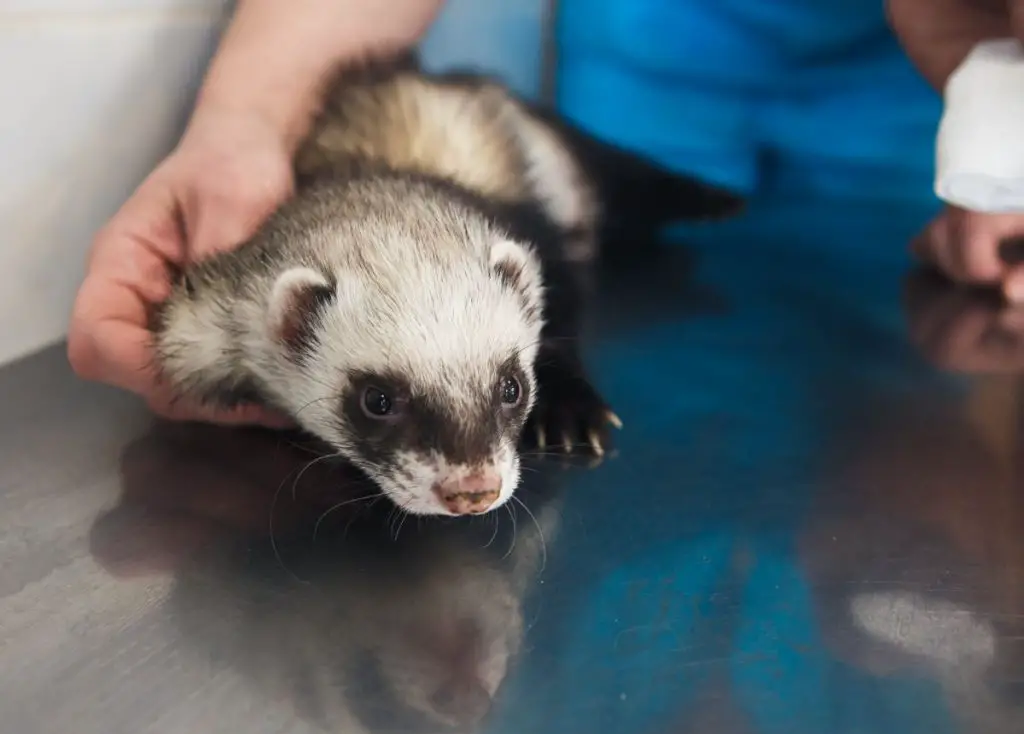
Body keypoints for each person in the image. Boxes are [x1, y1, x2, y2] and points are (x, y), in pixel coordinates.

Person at [66, 0, 1024, 427]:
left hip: (917, 105)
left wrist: (1002, 183)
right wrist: (239, 122)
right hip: (658, 58)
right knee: (617, 209)